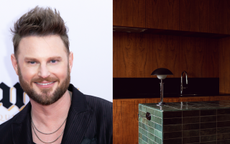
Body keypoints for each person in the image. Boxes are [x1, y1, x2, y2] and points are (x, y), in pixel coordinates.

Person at [0, 6, 112, 144]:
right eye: (32, 62)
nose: (44, 74)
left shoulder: (110, 119)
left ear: (69, 62)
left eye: (53, 61)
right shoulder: (3, 135)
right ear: (16, 65)